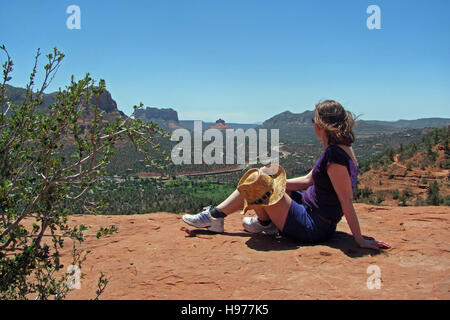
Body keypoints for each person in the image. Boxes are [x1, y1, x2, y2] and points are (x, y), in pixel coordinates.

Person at [182, 100, 390, 250]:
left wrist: (359, 240)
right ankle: (260, 223)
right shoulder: (339, 148)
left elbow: (346, 200)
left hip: (313, 226)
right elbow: (309, 180)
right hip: (307, 209)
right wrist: (273, 181)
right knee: (264, 174)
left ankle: (217, 217)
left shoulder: (335, 156)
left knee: (259, 180)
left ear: (320, 126)